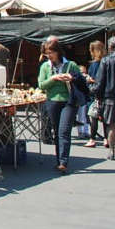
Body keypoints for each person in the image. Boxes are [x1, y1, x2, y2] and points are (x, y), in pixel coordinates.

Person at [37, 37, 85, 173]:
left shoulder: (71, 65)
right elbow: (41, 84)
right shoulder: (45, 67)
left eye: (51, 52)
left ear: (58, 52)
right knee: (57, 131)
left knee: (64, 131)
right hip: (52, 100)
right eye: (47, 53)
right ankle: (59, 160)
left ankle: (64, 162)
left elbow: (82, 81)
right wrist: (53, 78)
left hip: (69, 101)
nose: (49, 55)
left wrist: (72, 78)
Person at [84, 40, 108, 148]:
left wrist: (89, 79)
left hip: (95, 94)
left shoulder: (94, 65)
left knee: (93, 116)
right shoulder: (107, 62)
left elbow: (94, 79)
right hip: (106, 93)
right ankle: (106, 139)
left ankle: (92, 139)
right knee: (105, 118)